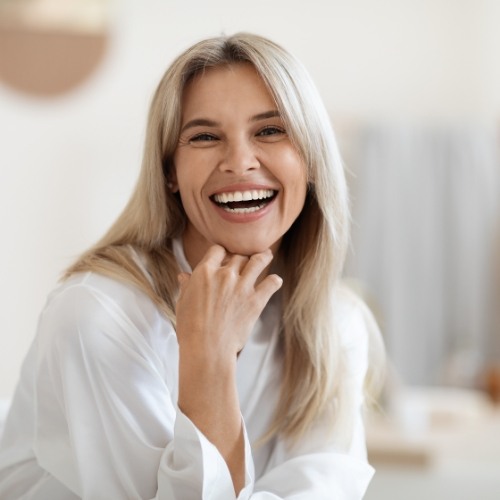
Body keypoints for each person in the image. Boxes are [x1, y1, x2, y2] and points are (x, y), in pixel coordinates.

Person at [0, 32, 384, 499]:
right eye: (204, 136)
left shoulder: (334, 325)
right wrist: (208, 362)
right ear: (170, 173)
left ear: (311, 161)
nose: (240, 162)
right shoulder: (97, 317)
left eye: (270, 130)